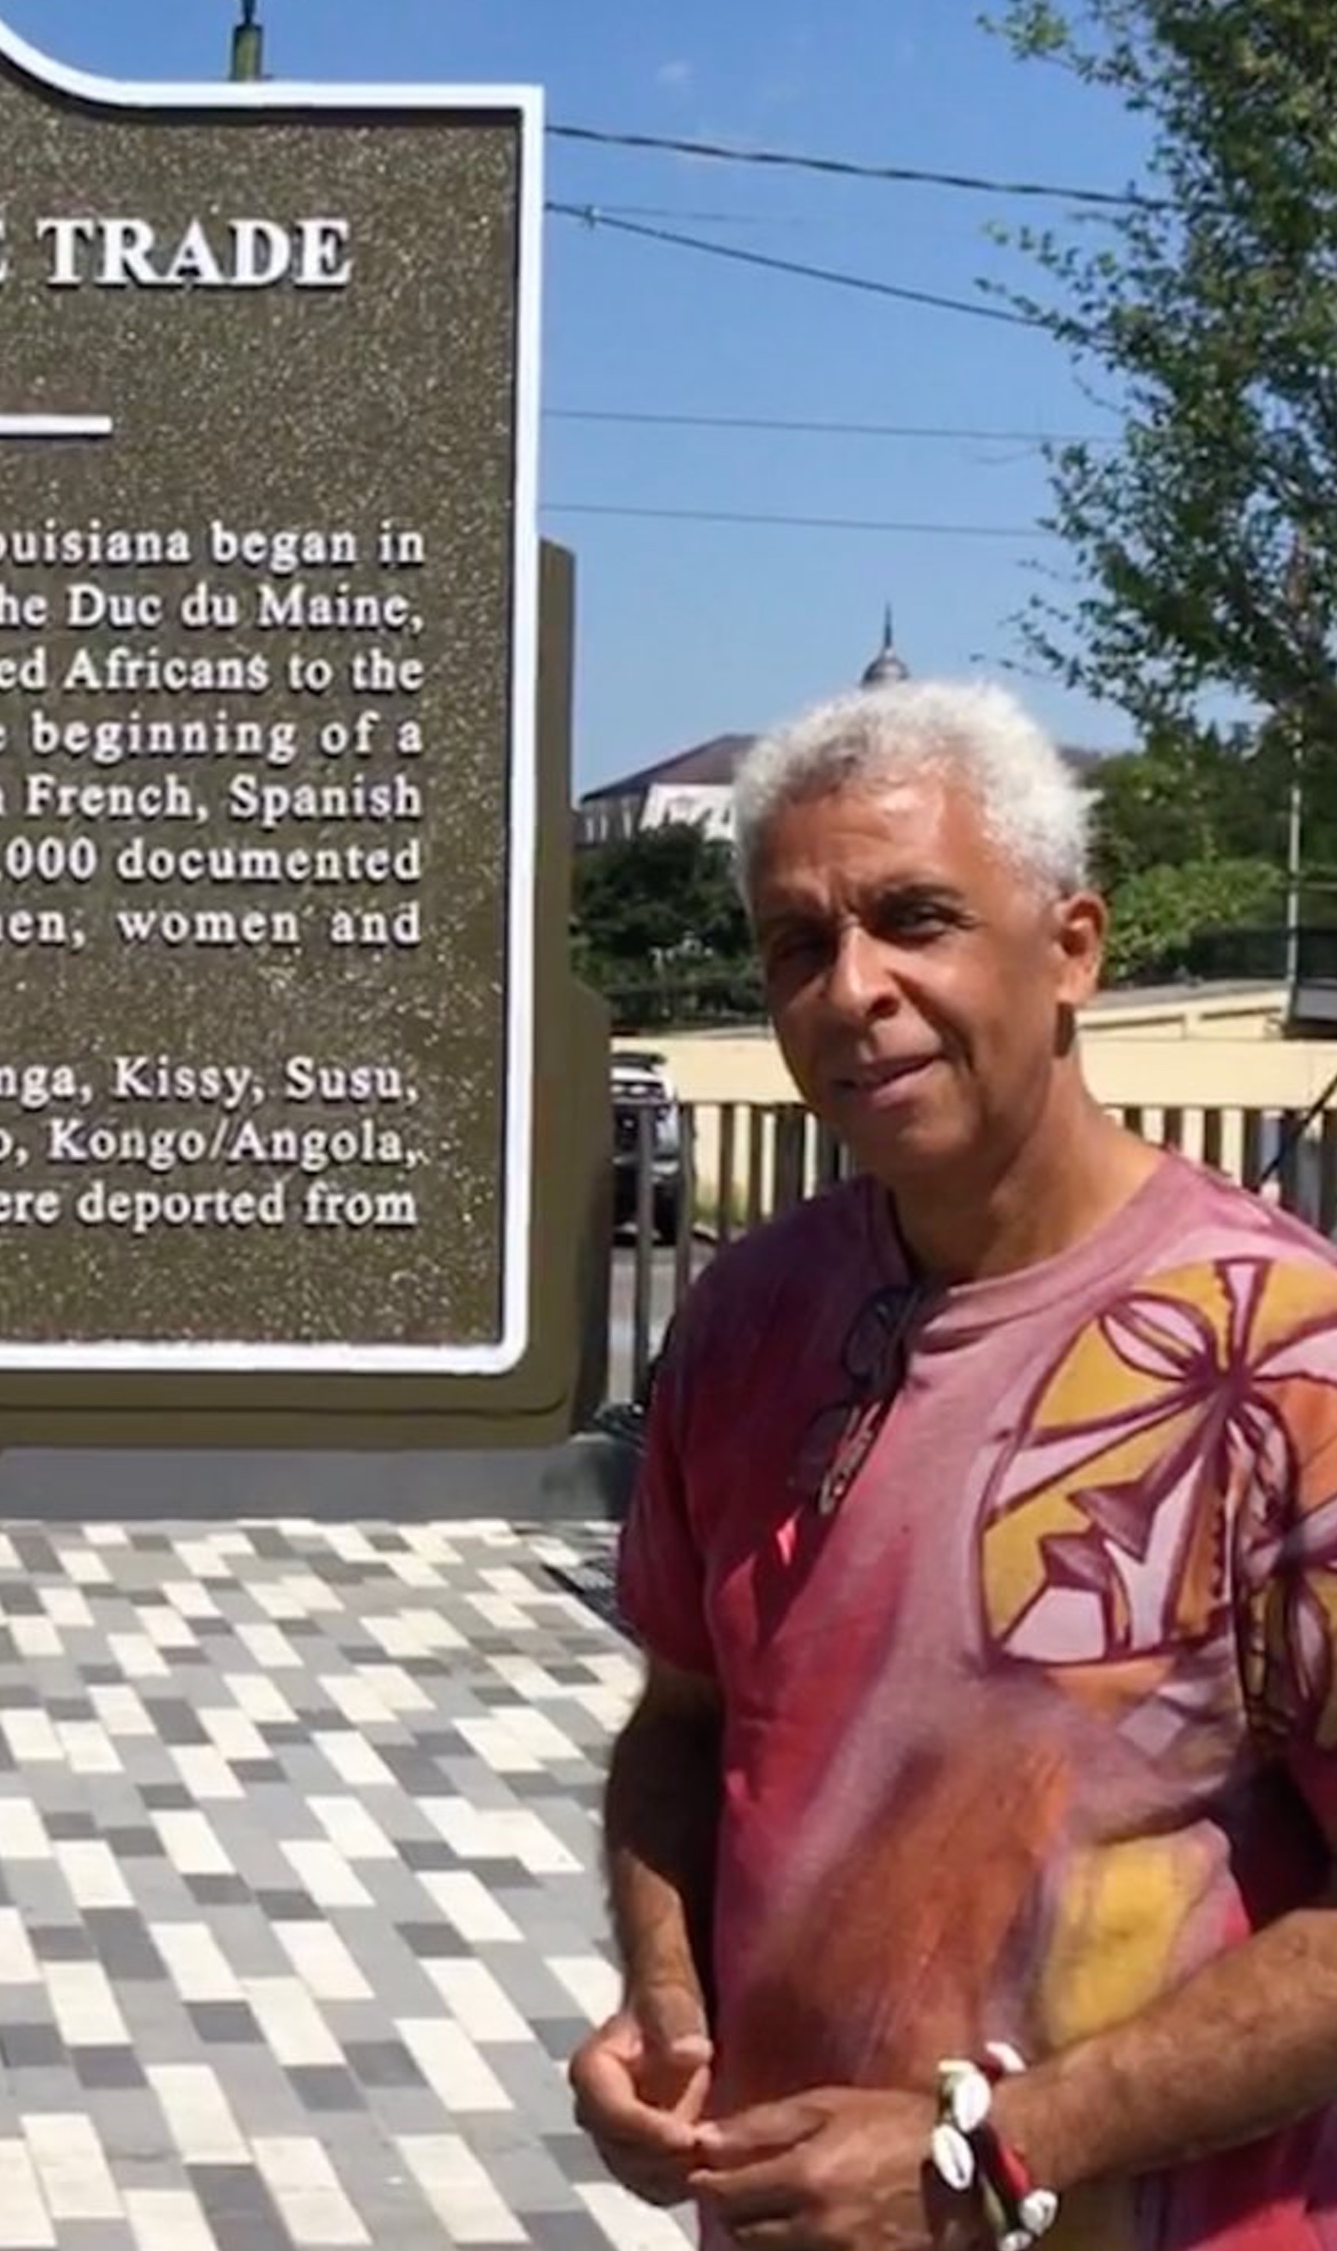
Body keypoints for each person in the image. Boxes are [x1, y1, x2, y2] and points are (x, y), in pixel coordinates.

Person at [571, 678, 1337, 2251]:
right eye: (801, 943)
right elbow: (686, 1724)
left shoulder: (1284, 1362)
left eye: (915, 919)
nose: (854, 987)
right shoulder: (747, 1318)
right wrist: (664, 2004)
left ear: (1073, 950)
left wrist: (986, 2157)